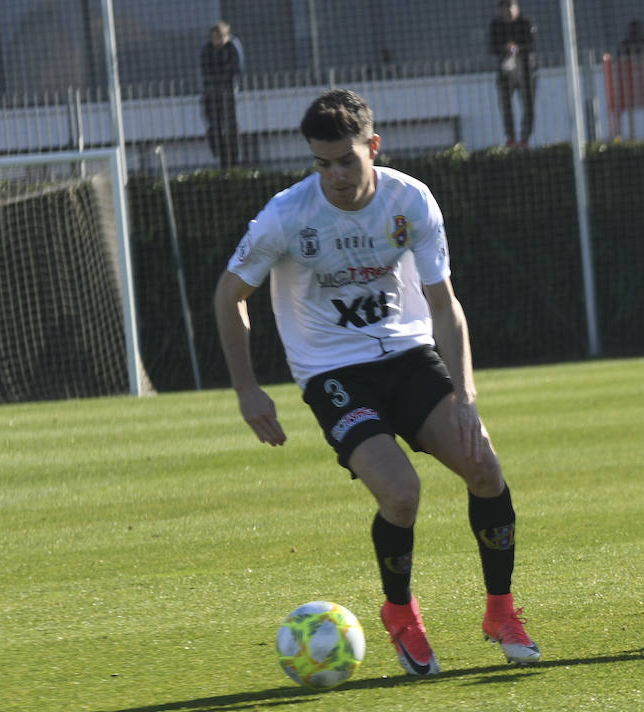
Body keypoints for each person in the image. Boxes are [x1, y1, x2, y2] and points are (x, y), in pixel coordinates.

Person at [213, 88, 540, 675]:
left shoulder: (409, 200)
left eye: (346, 160)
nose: (334, 176)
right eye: (322, 163)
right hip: (333, 372)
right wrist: (246, 388)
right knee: (400, 493)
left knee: (485, 469)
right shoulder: (287, 215)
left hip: (408, 354)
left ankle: (501, 610)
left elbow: (445, 305)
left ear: (373, 147)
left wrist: (465, 397)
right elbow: (228, 295)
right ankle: (400, 613)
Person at [488, 0, 538, 148]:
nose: (507, 10)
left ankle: (524, 139)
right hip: (505, 71)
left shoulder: (526, 23)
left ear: (517, 8)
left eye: (510, 6)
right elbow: (492, 48)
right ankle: (510, 138)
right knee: (505, 105)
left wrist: (517, 49)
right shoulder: (495, 26)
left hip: (526, 70)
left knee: (528, 105)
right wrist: (505, 49)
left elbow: (532, 45)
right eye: (503, 7)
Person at [200, 21, 243, 168]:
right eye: (215, 38)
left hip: (227, 91)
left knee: (230, 124)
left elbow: (237, 68)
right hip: (212, 93)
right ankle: (220, 155)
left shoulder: (232, 48)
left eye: (220, 37)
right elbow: (205, 70)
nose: (217, 41)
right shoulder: (207, 50)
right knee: (214, 125)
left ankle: (234, 157)